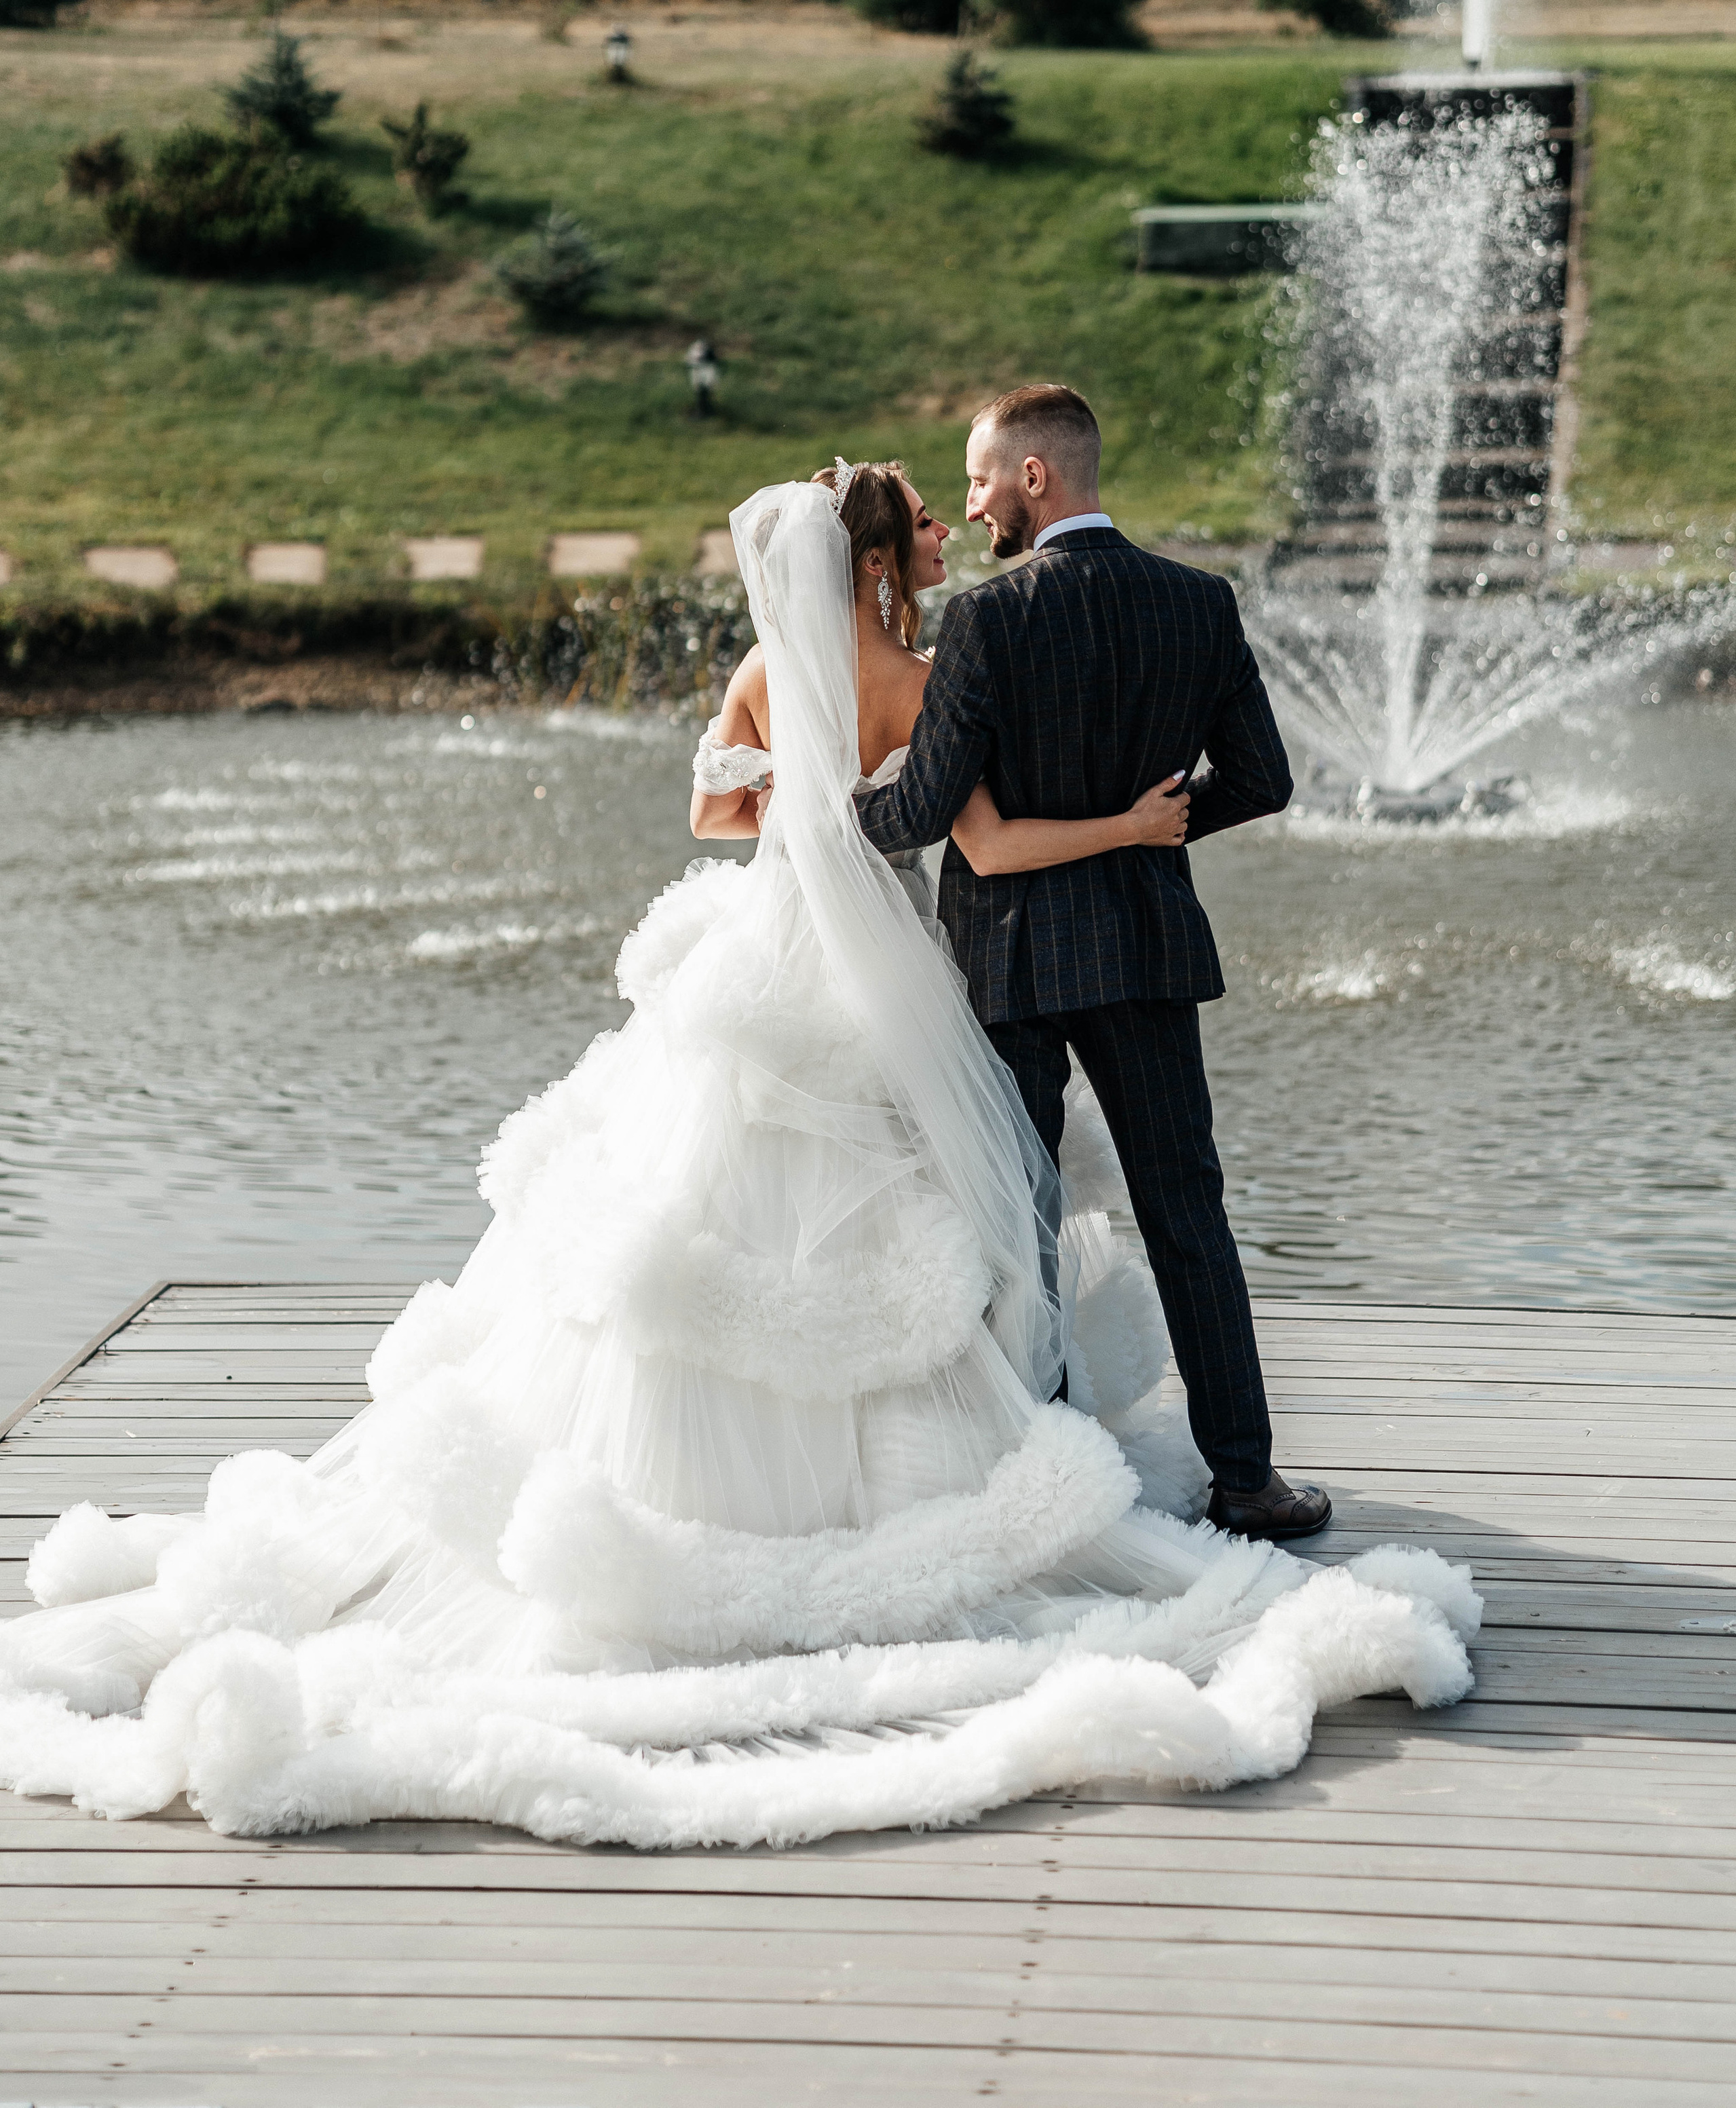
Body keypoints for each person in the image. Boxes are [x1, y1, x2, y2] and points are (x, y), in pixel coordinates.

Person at [0, 465, 1472, 1850]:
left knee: (702, 1192)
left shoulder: (776, 668)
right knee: (944, 1204)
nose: (953, 538)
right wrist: (1137, 821)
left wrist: (791, 803)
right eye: (928, 532)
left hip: (770, 946)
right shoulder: (922, 673)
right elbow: (990, 845)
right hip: (889, 955)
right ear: (886, 564)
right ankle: (1050, 1463)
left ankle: (696, 1484)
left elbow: (716, 806)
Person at [857, 386, 1329, 1541]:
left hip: (1011, 959)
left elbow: (919, 811)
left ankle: (1058, 1478)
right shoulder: (1199, 603)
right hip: (1147, 943)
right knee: (1188, 1215)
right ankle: (1250, 1481)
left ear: (1034, 478)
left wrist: (824, 818)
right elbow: (1263, 780)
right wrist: (1161, 821)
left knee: (1021, 1220)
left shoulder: (987, 622)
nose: (968, 509)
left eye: (978, 482)